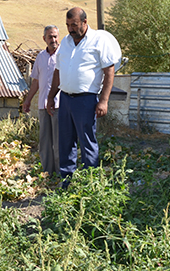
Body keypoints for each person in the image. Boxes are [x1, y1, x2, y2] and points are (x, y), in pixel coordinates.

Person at [46, 7, 121, 187]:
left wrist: (103, 100)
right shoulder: (65, 42)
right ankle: (67, 182)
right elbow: (58, 71)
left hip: (86, 100)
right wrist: (51, 97)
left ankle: (90, 182)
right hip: (65, 99)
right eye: (68, 25)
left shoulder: (98, 40)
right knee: (65, 141)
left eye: (74, 25)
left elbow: (109, 71)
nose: (70, 29)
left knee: (87, 141)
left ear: (85, 22)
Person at [21, 25, 61, 176]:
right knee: (44, 141)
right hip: (43, 106)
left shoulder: (63, 55)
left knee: (58, 142)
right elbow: (36, 82)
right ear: (44, 39)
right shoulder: (40, 57)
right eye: (50, 37)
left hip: (59, 105)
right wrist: (28, 100)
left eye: (55, 36)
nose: (53, 39)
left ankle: (60, 174)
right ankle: (47, 173)